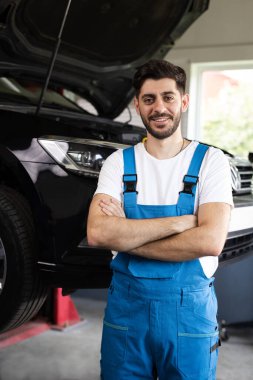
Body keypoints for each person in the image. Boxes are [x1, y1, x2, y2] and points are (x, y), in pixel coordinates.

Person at [87, 59, 233, 380]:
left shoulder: (211, 161)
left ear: (183, 101)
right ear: (137, 104)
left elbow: (210, 241)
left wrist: (125, 235)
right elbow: (98, 233)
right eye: (149, 99)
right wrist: (180, 223)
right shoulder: (117, 163)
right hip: (127, 312)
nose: (159, 107)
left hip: (189, 315)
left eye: (168, 97)